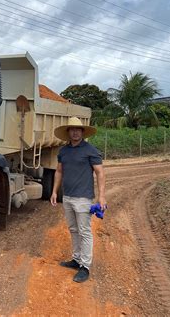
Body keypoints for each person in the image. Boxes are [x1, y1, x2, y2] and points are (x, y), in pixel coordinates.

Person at [51, 117, 106, 283]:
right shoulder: (63, 151)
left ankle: (85, 266)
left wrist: (101, 196)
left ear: (83, 132)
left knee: (85, 231)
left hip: (83, 198)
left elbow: (100, 173)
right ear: (68, 132)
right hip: (67, 197)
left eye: (78, 129)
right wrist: (54, 192)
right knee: (73, 229)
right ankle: (76, 259)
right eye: (72, 129)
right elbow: (59, 171)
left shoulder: (90, 150)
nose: (75, 132)